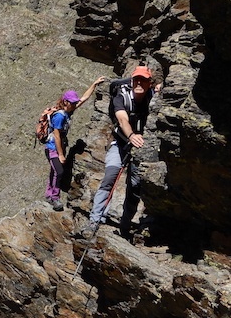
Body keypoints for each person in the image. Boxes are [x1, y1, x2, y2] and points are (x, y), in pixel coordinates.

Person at [82, 66, 157, 238]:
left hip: (141, 149)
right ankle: (94, 220)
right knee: (110, 177)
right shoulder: (121, 96)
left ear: (149, 83)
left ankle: (124, 226)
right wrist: (131, 136)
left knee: (135, 187)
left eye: (143, 80)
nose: (139, 83)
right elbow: (122, 119)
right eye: (137, 79)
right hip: (122, 143)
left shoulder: (154, 98)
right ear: (132, 81)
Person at [45, 76, 106, 211]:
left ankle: (49, 194)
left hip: (59, 146)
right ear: (65, 102)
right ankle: (54, 198)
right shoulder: (60, 115)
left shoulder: (68, 111)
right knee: (59, 171)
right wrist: (60, 154)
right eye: (72, 103)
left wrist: (94, 84)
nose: (74, 104)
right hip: (53, 148)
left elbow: (83, 99)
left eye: (74, 103)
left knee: (54, 171)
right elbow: (56, 135)